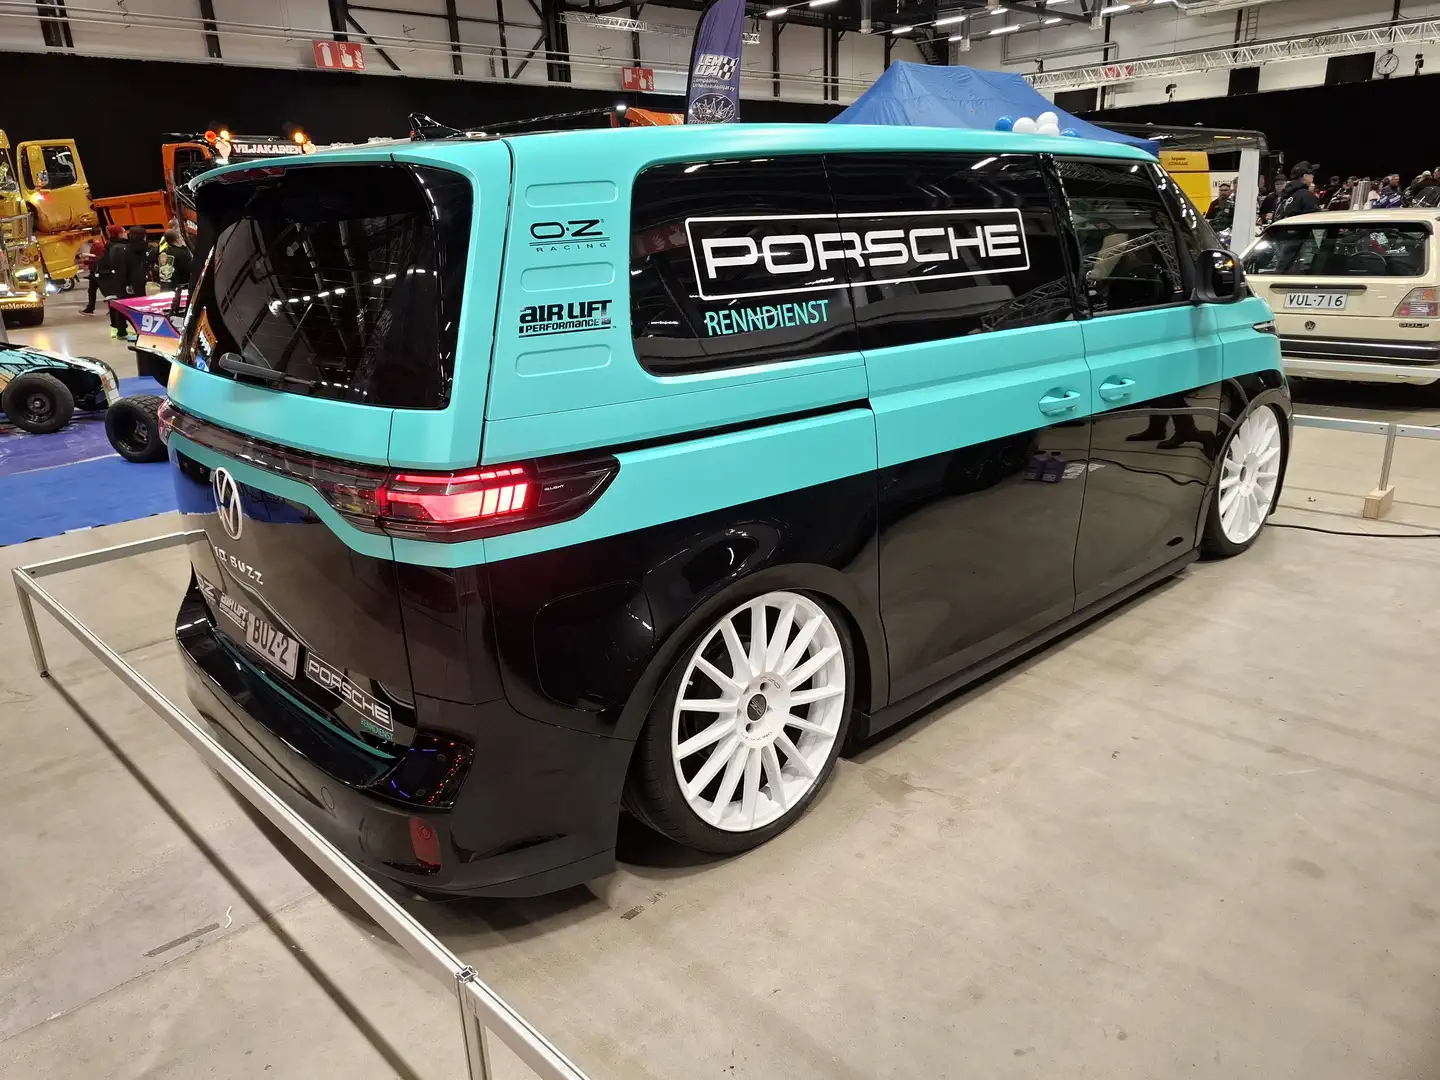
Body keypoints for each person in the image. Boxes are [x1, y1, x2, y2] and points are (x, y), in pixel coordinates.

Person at [105, 225, 152, 338]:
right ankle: (140, 330)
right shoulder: (137, 249)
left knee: (123, 305)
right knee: (138, 306)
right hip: (134, 281)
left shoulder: (119, 247)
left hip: (123, 281)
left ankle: (122, 330)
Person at [80, 224, 124, 315]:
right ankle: (91, 308)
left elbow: (100, 259)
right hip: (94, 272)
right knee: (92, 291)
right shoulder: (96, 246)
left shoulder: (99, 246)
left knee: (106, 292)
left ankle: (111, 309)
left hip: (99, 272)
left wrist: (85, 261)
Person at [156, 224, 193, 315]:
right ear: (177, 239)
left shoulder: (164, 252)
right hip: (180, 285)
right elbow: (188, 268)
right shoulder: (182, 253)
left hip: (166, 285)